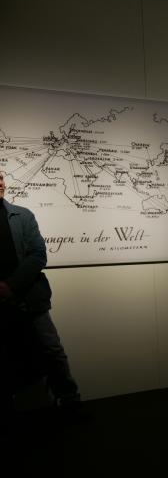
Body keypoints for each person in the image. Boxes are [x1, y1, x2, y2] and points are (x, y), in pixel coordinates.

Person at [0, 170, 83, 418]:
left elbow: (38, 254)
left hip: (29, 298)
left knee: (51, 350)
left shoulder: (22, 215)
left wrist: (10, 286)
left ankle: (70, 401)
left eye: (1, 178)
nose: (1, 183)